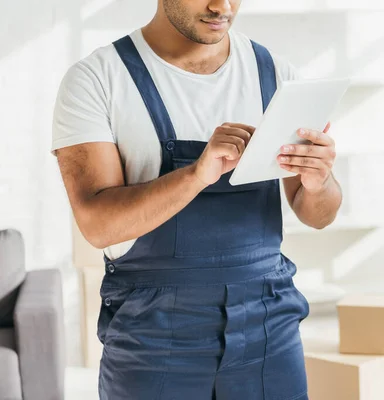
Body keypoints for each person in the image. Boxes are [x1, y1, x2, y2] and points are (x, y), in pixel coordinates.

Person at [52, 0, 342, 398]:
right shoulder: (98, 79)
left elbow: (319, 216)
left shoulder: (274, 74)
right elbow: (97, 226)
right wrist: (196, 175)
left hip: (268, 324)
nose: (221, 6)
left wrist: (318, 181)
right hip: (153, 335)